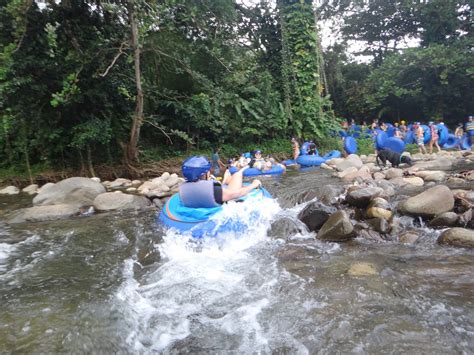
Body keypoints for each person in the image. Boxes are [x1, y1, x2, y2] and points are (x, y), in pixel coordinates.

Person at [179, 156, 261, 208]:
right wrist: (253, 185)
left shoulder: (183, 188)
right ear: (203, 175)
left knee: (233, 176)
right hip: (221, 202)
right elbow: (237, 194)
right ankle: (226, 179)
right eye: (208, 171)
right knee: (238, 174)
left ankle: (225, 180)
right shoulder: (213, 189)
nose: (209, 172)